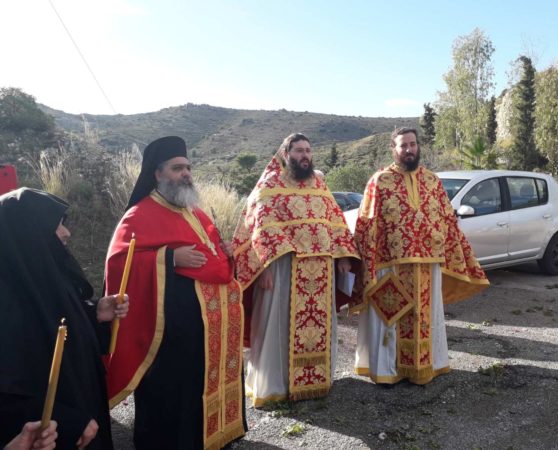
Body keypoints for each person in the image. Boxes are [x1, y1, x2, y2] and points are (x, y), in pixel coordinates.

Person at [104, 136, 246, 449]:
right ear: (157, 174)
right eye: (177, 168)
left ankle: (209, 436)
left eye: (188, 168)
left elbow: (212, 252)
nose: (186, 174)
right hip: (169, 333)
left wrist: (226, 252)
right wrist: (169, 257)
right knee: (174, 390)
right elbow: (118, 263)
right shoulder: (139, 214)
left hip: (206, 327)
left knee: (198, 384)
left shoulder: (194, 212)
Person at [351, 127, 489, 385]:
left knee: (425, 318)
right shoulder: (379, 181)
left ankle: (424, 367)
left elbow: (447, 219)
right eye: (403, 145)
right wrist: (367, 265)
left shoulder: (432, 181)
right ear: (393, 149)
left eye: (413, 144)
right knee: (390, 319)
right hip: (390, 265)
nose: (409, 149)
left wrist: (460, 256)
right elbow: (367, 225)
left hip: (427, 265)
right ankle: (388, 371)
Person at [232, 133, 359, 407]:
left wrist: (343, 256)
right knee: (278, 324)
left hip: (321, 269)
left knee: (319, 327)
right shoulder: (270, 183)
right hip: (283, 267)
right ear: (286, 154)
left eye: (308, 150)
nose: (305, 155)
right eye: (299, 150)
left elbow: (335, 220)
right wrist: (263, 267)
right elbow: (260, 228)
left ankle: (316, 381)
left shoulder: (319, 183)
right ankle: (275, 385)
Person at [0, 188, 128, 449]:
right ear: (27, 232)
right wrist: (66, 421)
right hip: (51, 436)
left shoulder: (46, 275)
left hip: (85, 411)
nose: (66, 232)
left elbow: (58, 322)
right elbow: (8, 392)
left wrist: (94, 312)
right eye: (57, 225)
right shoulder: (6, 301)